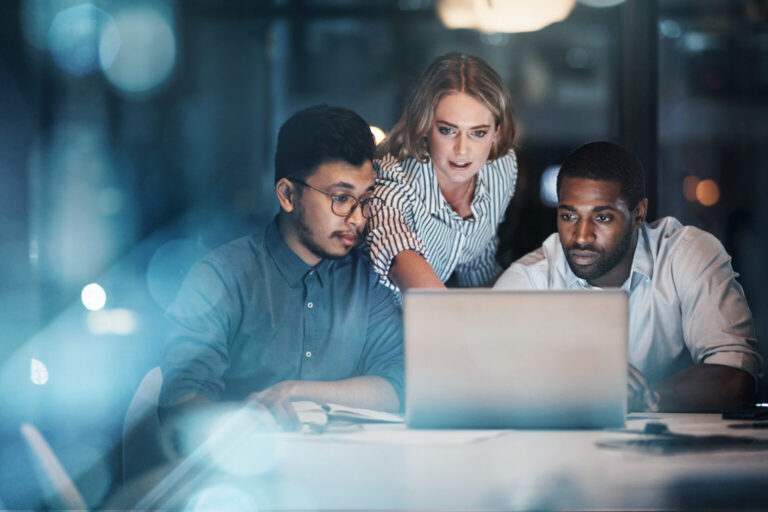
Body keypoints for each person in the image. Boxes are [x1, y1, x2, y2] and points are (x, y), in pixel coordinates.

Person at [158, 105, 404, 431]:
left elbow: (398, 384)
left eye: (365, 200)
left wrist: (297, 393)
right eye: (341, 198)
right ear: (288, 195)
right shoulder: (221, 278)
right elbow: (181, 401)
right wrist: (246, 420)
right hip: (244, 459)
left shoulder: (368, 279)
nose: (358, 218)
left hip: (346, 458)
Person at [495, 141, 762, 412]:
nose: (581, 237)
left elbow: (737, 379)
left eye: (602, 218)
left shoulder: (685, 256)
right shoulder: (528, 281)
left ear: (638, 214)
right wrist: (574, 386)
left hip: (678, 440)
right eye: (569, 216)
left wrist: (636, 399)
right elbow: (490, 387)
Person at [367, 53, 518, 299]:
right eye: (447, 130)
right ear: (426, 126)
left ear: (496, 132)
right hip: (376, 319)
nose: (462, 149)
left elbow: (477, 265)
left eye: (478, 133)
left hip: (444, 315)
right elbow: (397, 254)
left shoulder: (500, 168)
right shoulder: (393, 179)